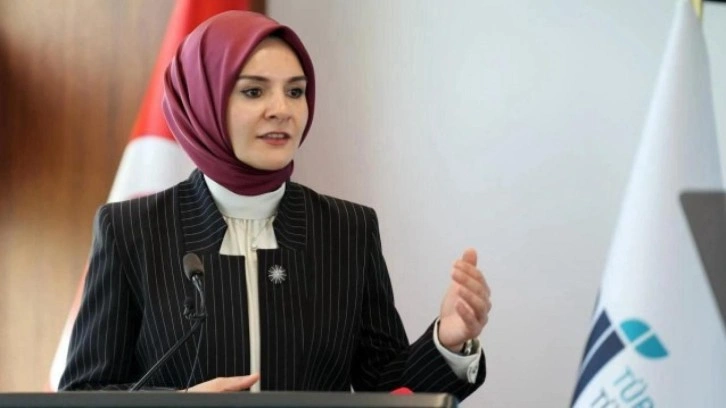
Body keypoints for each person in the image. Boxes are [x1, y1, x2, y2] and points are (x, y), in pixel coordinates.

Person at [59, 11, 491, 401]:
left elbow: (387, 389)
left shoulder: (348, 229)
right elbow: (82, 393)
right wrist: (180, 401)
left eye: (296, 91)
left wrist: (449, 341)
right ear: (204, 100)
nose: (282, 110)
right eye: (253, 91)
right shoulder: (131, 230)